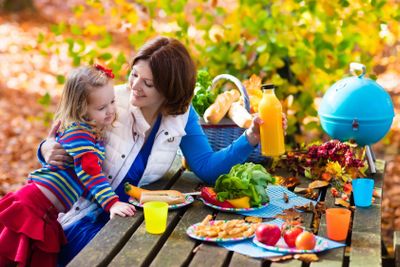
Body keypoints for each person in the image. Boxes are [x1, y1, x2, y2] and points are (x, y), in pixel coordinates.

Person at [40, 36, 286, 265]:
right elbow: (67, 136)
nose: (135, 86)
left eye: (147, 83)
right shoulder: (108, 104)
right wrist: (45, 148)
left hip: (130, 218)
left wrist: (251, 137)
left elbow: (207, 167)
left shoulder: (181, 115)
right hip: (87, 218)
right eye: (134, 75)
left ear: (169, 89)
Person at [0, 65, 136, 267]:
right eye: (101, 108)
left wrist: (102, 202)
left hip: (48, 214)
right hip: (33, 206)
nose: (110, 111)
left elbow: (82, 182)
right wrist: (111, 203)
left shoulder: (91, 135)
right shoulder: (79, 133)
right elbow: (89, 173)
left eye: (112, 102)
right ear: (81, 109)